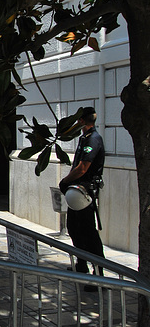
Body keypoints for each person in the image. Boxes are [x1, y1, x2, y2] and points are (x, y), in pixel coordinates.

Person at [59, 106, 106, 280]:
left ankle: (99, 270)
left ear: (82, 121)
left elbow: (83, 168)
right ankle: (81, 264)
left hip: (85, 193)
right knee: (74, 228)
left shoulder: (93, 139)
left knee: (88, 232)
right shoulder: (84, 138)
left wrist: (65, 181)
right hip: (77, 192)